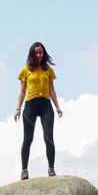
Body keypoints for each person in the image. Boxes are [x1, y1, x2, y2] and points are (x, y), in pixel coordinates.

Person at [14, 41, 62, 179]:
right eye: (36, 53)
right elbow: (22, 91)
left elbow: (52, 90)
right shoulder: (26, 70)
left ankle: (51, 168)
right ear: (32, 54)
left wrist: (57, 107)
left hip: (46, 106)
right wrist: (18, 108)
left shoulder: (48, 70)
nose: (39, 55)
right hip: (30, 106)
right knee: (28, 139)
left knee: (48, 137)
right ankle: (24, 170)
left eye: (41, 53)